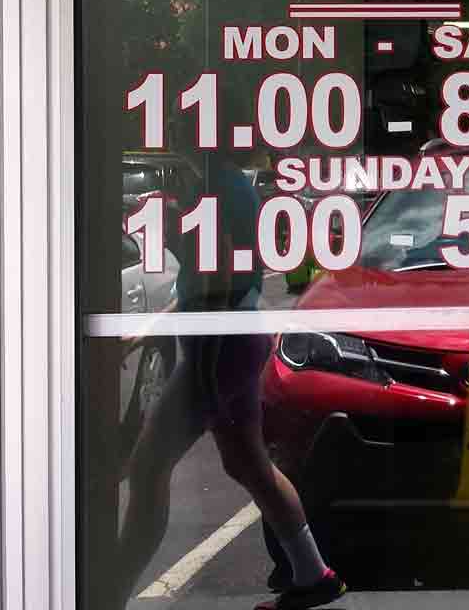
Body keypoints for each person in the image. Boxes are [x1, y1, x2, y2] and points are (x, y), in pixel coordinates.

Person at [113, 123, 343, 610]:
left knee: (148, 466)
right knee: (248, 464)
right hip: (230, 345)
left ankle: (109, 593)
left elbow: (219, 286)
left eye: (178, 122)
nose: (169, 130)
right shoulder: (223, 184)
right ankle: (313, 575)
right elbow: (204, 287)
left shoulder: (215, 190)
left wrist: (206, 375)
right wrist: (149, 331)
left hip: (218, 350)